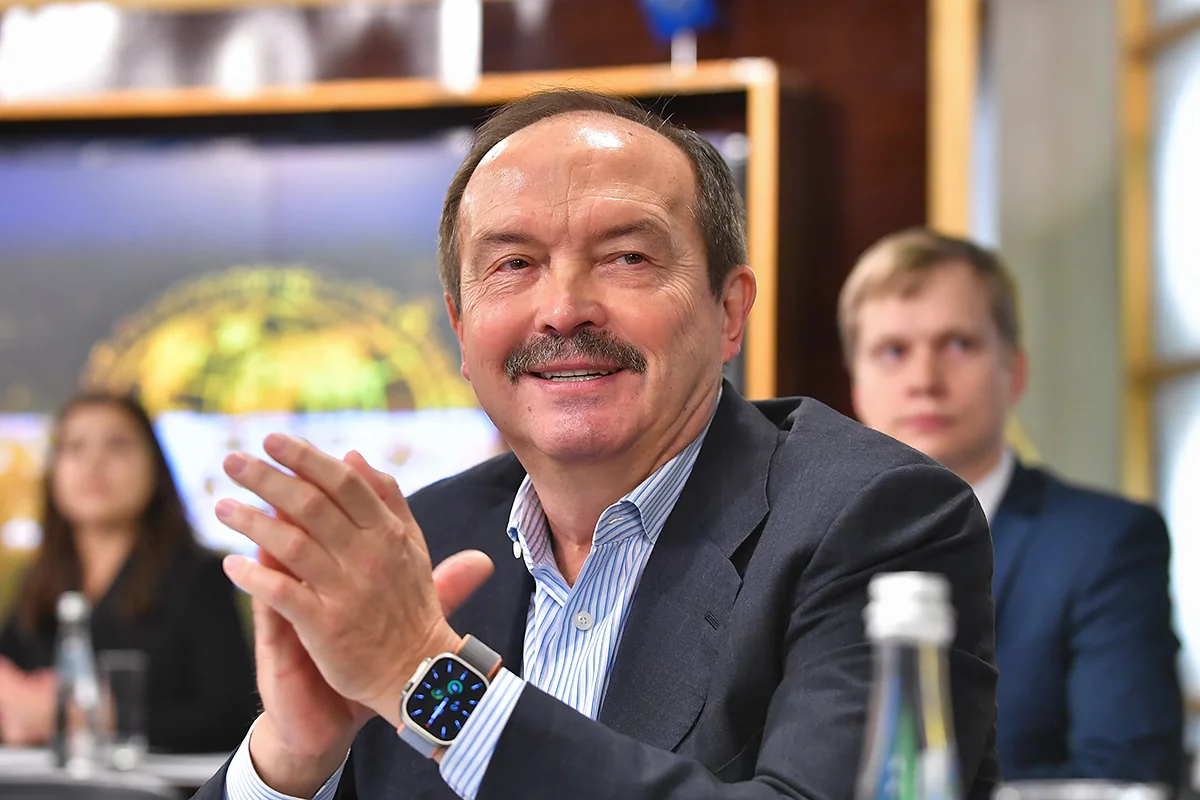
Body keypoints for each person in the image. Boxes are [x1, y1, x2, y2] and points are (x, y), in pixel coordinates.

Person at [195, 91, 1001, 800]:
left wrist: (434, 683)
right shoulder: (425, 543)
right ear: (461, 329)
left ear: (729, 311)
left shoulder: (879, 519)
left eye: (627, 257)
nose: (564, 309)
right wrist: (291, 761)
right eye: (515, 263)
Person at [841, 227, 1182, 785]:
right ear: (857, 387)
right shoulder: (810, 546)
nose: (924, 380)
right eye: (893, 352)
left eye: (958, 345)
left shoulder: (1106, 544)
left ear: (1014, 372)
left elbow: (1125, 776)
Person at [0, 392, 258, 753]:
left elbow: (232, 717)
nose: (94, 463)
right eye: (75, 447)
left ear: (155, 467)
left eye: (117, 445)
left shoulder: (200, 578)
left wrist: (100, 716)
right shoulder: (39, 580)